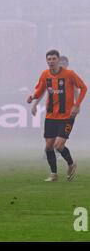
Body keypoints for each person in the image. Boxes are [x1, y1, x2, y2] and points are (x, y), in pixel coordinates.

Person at [27, 49, 87, 182]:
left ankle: (71, 164)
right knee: (48, 146)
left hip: (67, 116)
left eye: (54, 59)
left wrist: (77, 105)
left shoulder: (69, 74)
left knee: (58, 146)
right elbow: (41, 89)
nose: (51, 61)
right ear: (46, 61)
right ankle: (53, 174)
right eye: (49, 59)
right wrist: (33, 98)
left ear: (58, 60)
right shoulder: (45, 74)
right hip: (50, 116)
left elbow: (83, 87)